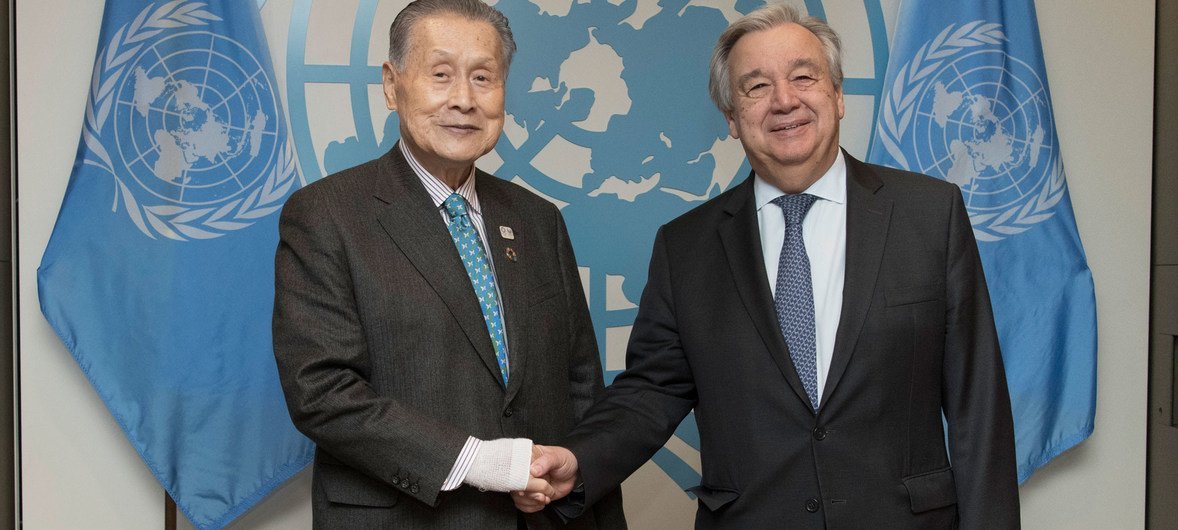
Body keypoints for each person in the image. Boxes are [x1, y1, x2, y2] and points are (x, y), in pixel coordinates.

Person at [519, 3, 1020, 528]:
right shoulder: (685, 247)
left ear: (838, 95)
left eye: (804, 77)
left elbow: (977, 404)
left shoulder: (929, 214)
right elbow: (651, 391)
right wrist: (579, 459)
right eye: (756, 87)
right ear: (732, 118)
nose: (785, 101)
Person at [272, 0, 625, 527]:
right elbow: (321, 392)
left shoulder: (538, 219)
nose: (464, 99)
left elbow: (580, 389)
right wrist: (482, 462)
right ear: (392, 85)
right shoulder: (326, 215)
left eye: (483, 77)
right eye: (441, 74)